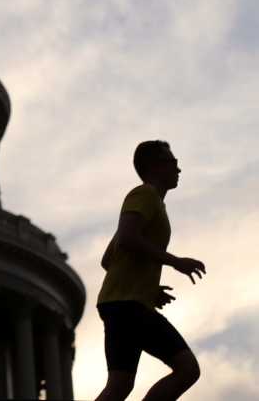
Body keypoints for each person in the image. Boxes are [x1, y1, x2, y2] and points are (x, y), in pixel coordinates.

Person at [92, 140, 205, 401]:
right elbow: (127, 240)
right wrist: (176, 262)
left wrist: (149, 288)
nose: (179, 169)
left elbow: (109, 259)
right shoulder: (145, 196)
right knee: (187, 369)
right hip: (129, 306)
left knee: (120, 385)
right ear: (155, 166)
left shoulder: (148, 202)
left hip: (118, 304)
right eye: (173, 163)